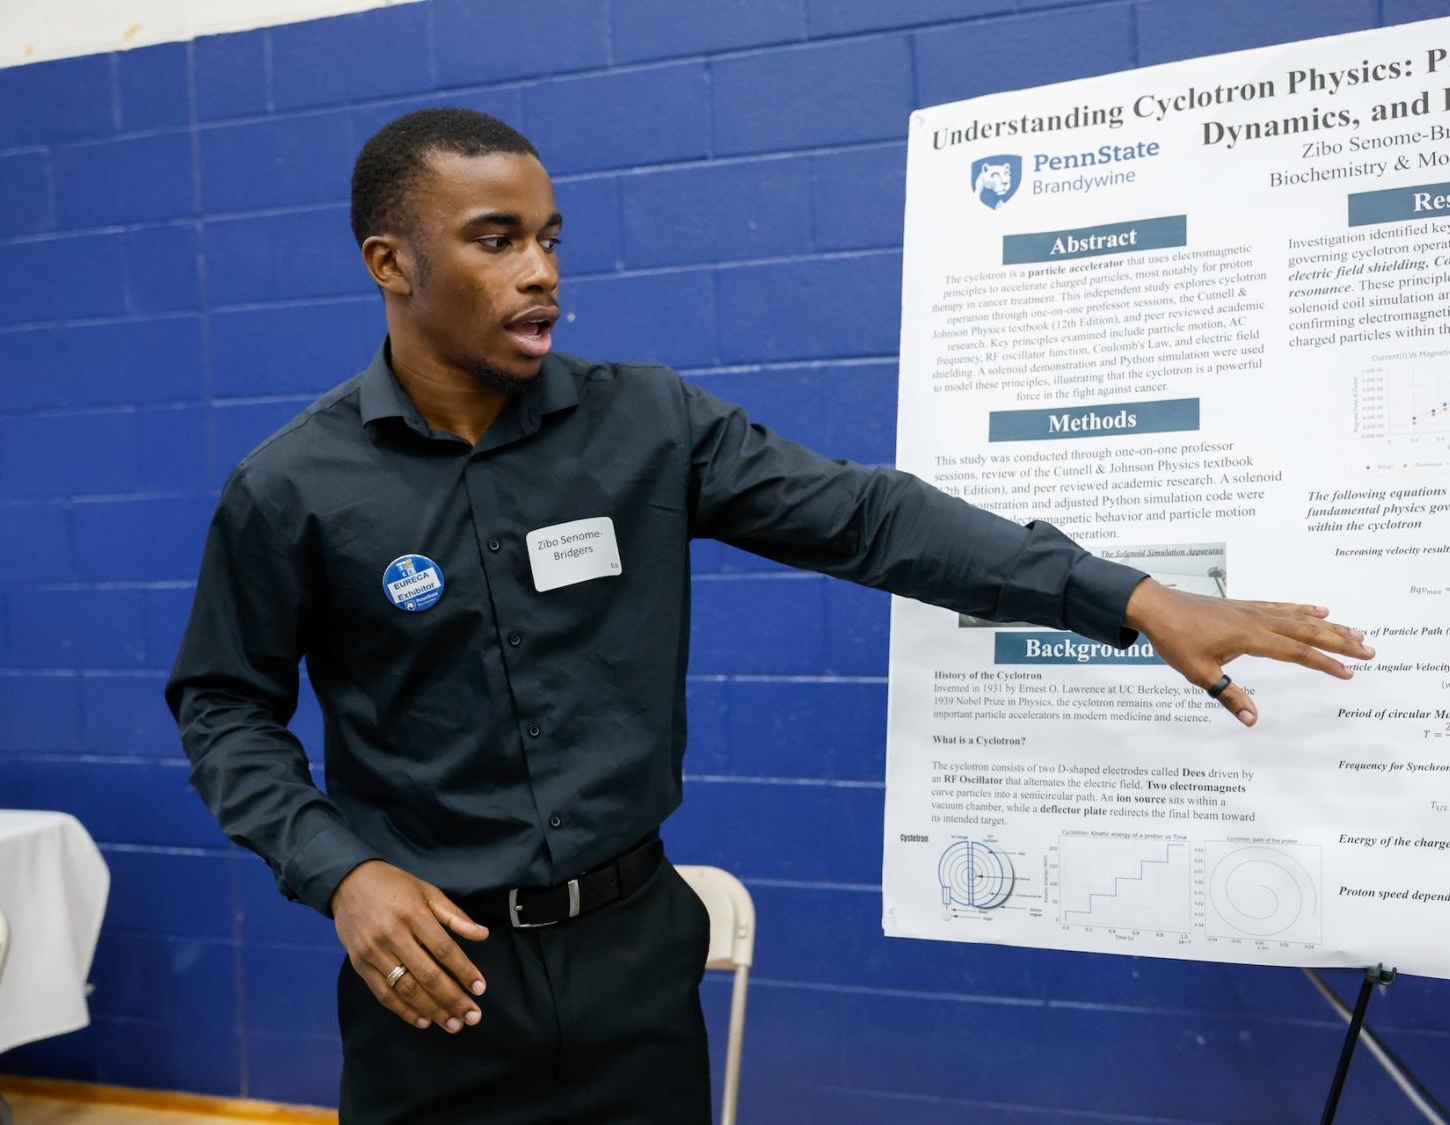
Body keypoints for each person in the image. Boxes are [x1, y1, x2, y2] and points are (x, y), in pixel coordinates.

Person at [165, 108, 1373, 1124]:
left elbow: (871, 519)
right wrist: (341, 874)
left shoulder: (647, 425)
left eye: (547, 237)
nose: (541, 271)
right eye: (496, 240)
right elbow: (224, 706)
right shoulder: (294, 488)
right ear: (394, 264)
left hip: (636, 959)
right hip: (436, 979)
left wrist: (1136, 598)